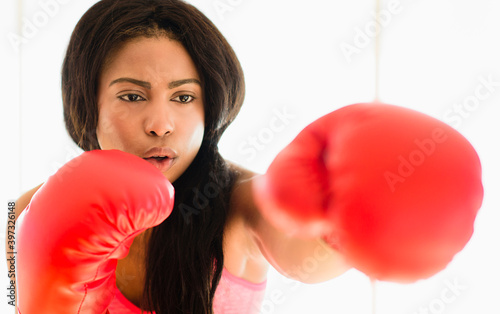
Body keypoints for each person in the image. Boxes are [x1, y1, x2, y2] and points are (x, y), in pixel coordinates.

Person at [8, 0, 350, 313]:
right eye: (131, 96)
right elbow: (11, 300)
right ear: (88, 105)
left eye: (184, 97)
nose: (160, 125)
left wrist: (352, 209)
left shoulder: (243, 203)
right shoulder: (27, 211)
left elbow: (308, 252)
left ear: (209, 108)